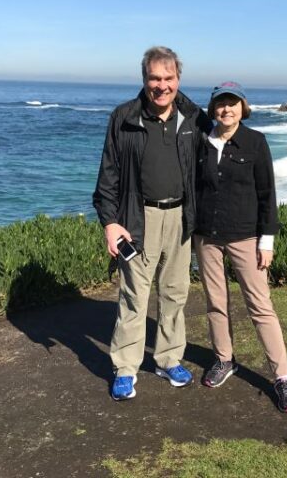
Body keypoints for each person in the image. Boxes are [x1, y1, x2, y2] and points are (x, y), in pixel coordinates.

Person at [93, 46, 211, 401]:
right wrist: (110, 222)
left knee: (175, 292)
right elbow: (108, 174)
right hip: (137, 218)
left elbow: (221, 150)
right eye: (155, 78)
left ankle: (168, 358)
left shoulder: (192, 117)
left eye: (169, 78)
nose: (162, 86)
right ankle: (125, 368)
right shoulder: (124, 117)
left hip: (180, 216)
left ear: (179, 79)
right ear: (144, 79)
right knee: (134, 296)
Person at [193, 81, 287, 413]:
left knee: (260, 306)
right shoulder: (201, 142)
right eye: (220, 104)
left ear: (243, 107)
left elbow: (268, 195)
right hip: (206, 236)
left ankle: (282, 378)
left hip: (245, 237)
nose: (226, 109)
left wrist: (266, 241)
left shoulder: (256, 142)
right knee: (216, 303)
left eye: (233, 103)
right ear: (212, 109)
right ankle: (225, 360)